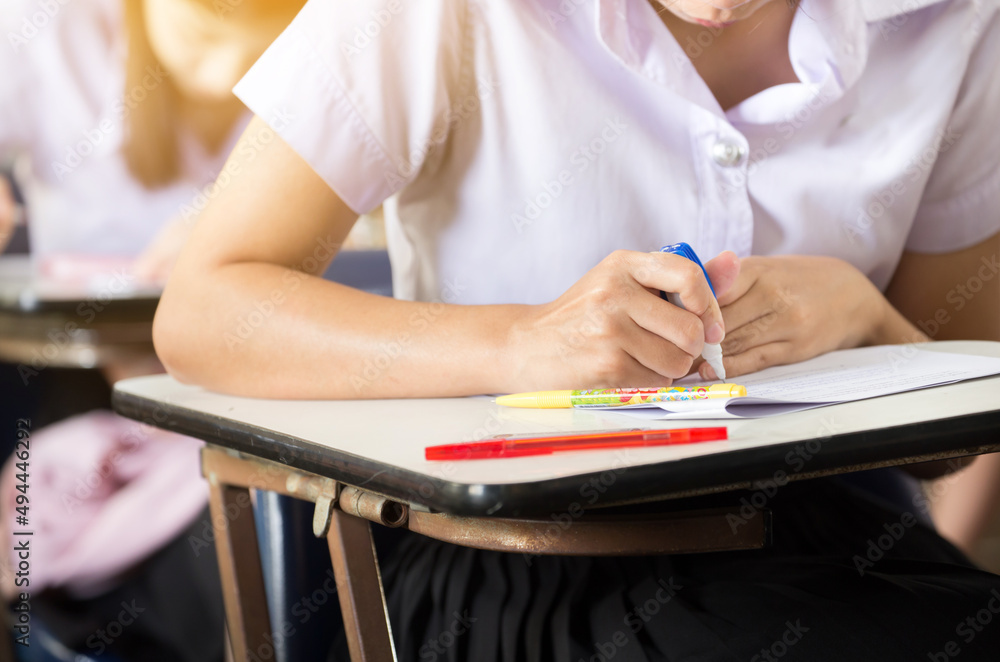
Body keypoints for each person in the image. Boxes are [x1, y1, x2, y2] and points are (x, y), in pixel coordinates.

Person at [154, 0, 1000, 659]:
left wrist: (868, 316)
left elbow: (952, 440)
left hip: (820, 540)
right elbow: (205, 310)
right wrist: (520, 343)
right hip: (509, 563)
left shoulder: (956, 22)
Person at [0, 0, 304, 659]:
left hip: (261, 403)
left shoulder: (346, 50)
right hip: (85, 395)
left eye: (260, 51)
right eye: (199, 37)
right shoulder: (48, 31)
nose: (225, 76)